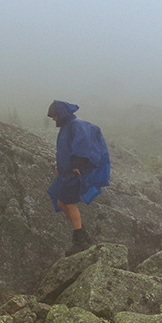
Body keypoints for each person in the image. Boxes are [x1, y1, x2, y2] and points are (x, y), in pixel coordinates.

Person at [46, 100, 110, 250]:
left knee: (69, 202)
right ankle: (81, 231)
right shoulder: (66, 128)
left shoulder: (75, 126)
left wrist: (77, 165)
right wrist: (60, 165)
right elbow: (65, 150)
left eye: (54, 116)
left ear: (60, 114)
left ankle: (79, 241)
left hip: (73, 173)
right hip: (65, 172)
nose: (53, 119)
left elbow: (82, 145)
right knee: (61, 202)